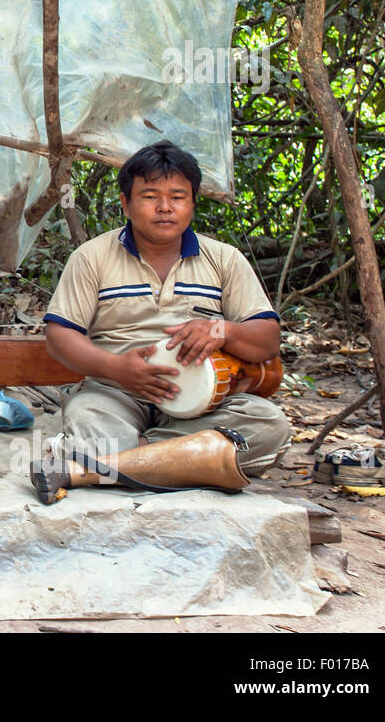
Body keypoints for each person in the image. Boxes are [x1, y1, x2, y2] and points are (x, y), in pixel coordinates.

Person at [32, 140, 290, 503]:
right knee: (88, 416)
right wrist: (117, 368)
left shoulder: (224, 259)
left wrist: (221, 330)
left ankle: (125, 462)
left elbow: (267, 341)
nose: (165, 207)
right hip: (114, 393)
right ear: (126, 203)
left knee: (269, 426)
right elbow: (59, 337)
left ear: (193, 204)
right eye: (150, 196)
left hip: (204, 405)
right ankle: (184, 463)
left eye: (178, 196)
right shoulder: (91, 258)